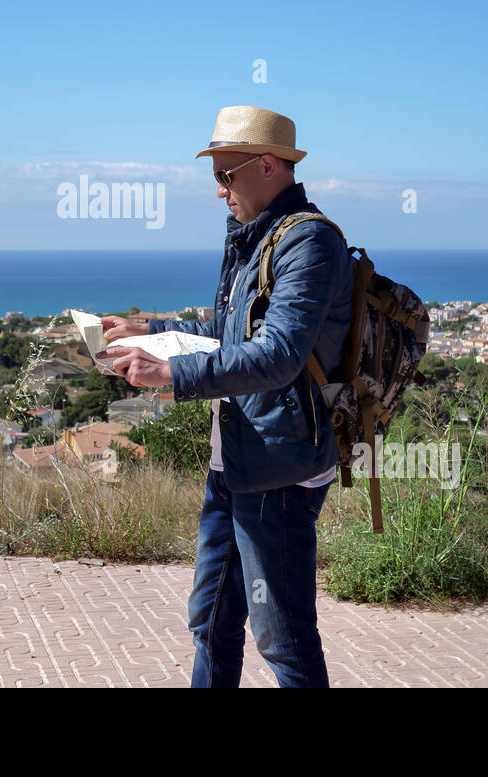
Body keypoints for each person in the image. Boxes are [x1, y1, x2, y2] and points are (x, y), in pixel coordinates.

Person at [98, 105, 353, 688]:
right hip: (236, 461)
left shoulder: (307, 243)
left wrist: (171, 372)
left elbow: (280, 354)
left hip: (279, 468)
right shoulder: (253, 238)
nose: (218, 192)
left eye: (224, 175)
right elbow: (229, 329)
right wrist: (150, 329)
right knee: (212, 621)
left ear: (266, 165)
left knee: (282, 639)